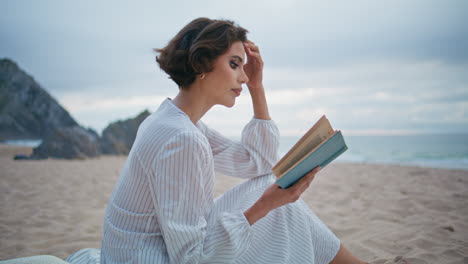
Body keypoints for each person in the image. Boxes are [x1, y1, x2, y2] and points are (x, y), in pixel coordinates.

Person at [66, 17, 367, 264]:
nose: (244, 77)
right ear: (201, 64)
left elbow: (258, 163)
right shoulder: (182, 138)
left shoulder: (175, 120)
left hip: (134, 253)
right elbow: (192, 259)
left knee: (272, 194)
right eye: (235, 64)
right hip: (149, 258)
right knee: (278, 207)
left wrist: (258, 88)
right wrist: (265, 206)